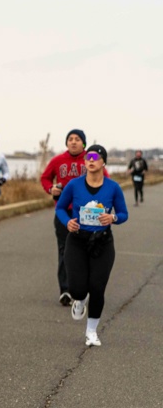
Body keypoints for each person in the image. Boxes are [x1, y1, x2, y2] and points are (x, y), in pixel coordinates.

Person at [56, 144, 128, 347]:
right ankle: (79, 300)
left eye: (95, 157)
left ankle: (91, 332)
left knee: (97, 287)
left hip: (102, 242)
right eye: (88, 157)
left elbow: (124, 214)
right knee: (77, 289)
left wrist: (113, 217)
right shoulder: (74, 185)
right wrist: (67, 222)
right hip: (77, 241)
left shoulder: (113, 187)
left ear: (103, 162)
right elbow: (60, 208)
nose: (90, 160)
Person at [41, 129, 89, 306]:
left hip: (86, 213)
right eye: (70, 139)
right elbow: (45, 178)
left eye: (77, 139)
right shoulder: (57, 160)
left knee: (85, 250)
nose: (73, 142)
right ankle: (66, 290)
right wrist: (51, 189)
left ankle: (82, 287)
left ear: (83, 143)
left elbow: (105, 180)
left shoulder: (91, 159)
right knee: (64, 250)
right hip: (64, 212)